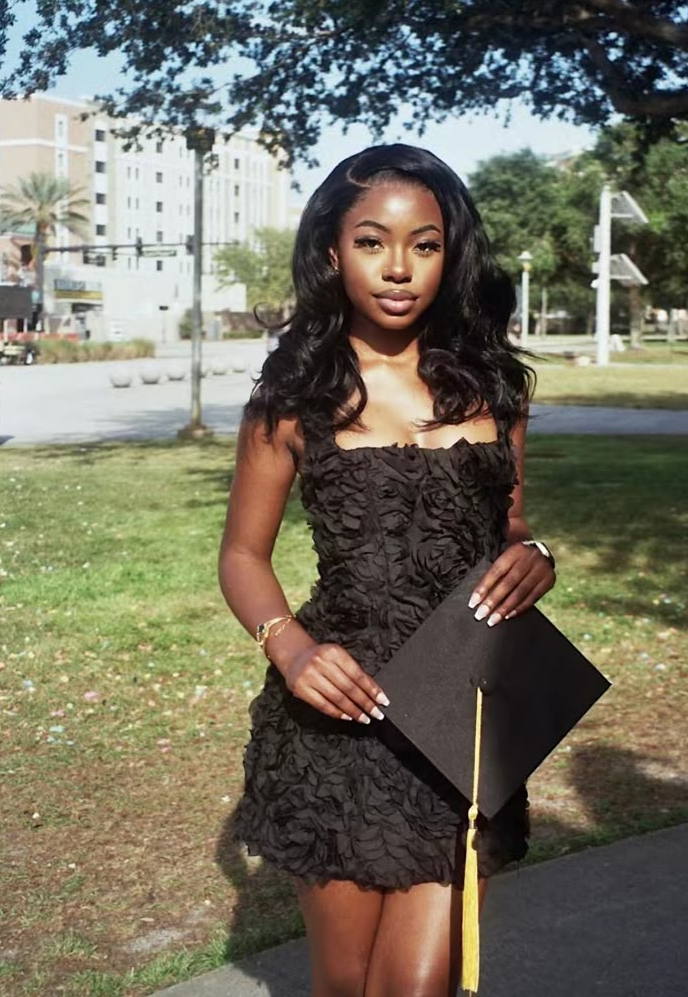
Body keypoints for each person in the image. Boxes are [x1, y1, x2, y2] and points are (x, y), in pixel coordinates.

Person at [218, 144, 556, 997]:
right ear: (333, 252)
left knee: (421, 986)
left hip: (462, 713)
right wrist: (289, 649)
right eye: (373, 242)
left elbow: (511, 528)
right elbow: (241, 556)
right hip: (338, 720)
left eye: (425, 244)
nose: (400, 268)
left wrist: (537, 558)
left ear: (453, 253)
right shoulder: (292, 397)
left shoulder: (496, 391)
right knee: (347, 984)